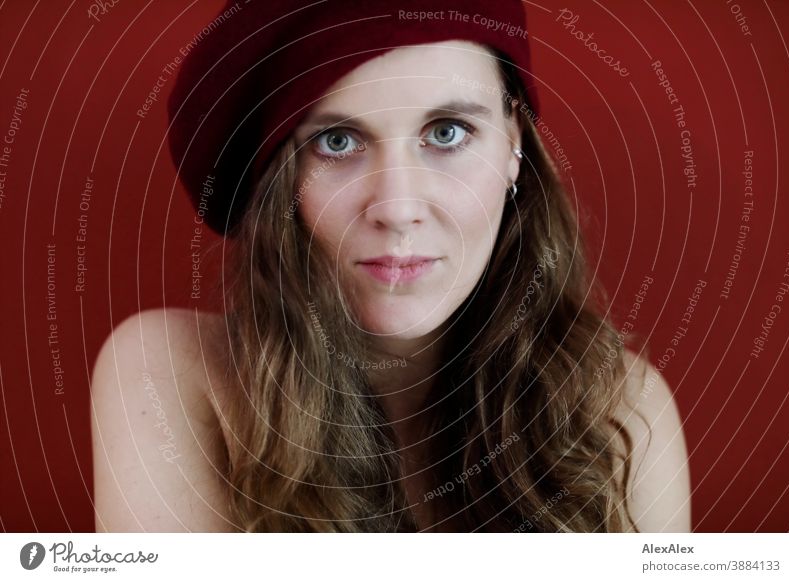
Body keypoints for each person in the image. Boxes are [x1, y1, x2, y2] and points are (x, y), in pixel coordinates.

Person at [91, 0, 690, 532]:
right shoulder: (167, 375)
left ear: (515, 146)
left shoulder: (620, 408)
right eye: (337, 143)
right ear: (281, 182)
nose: (397, 208)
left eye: (447, 132)